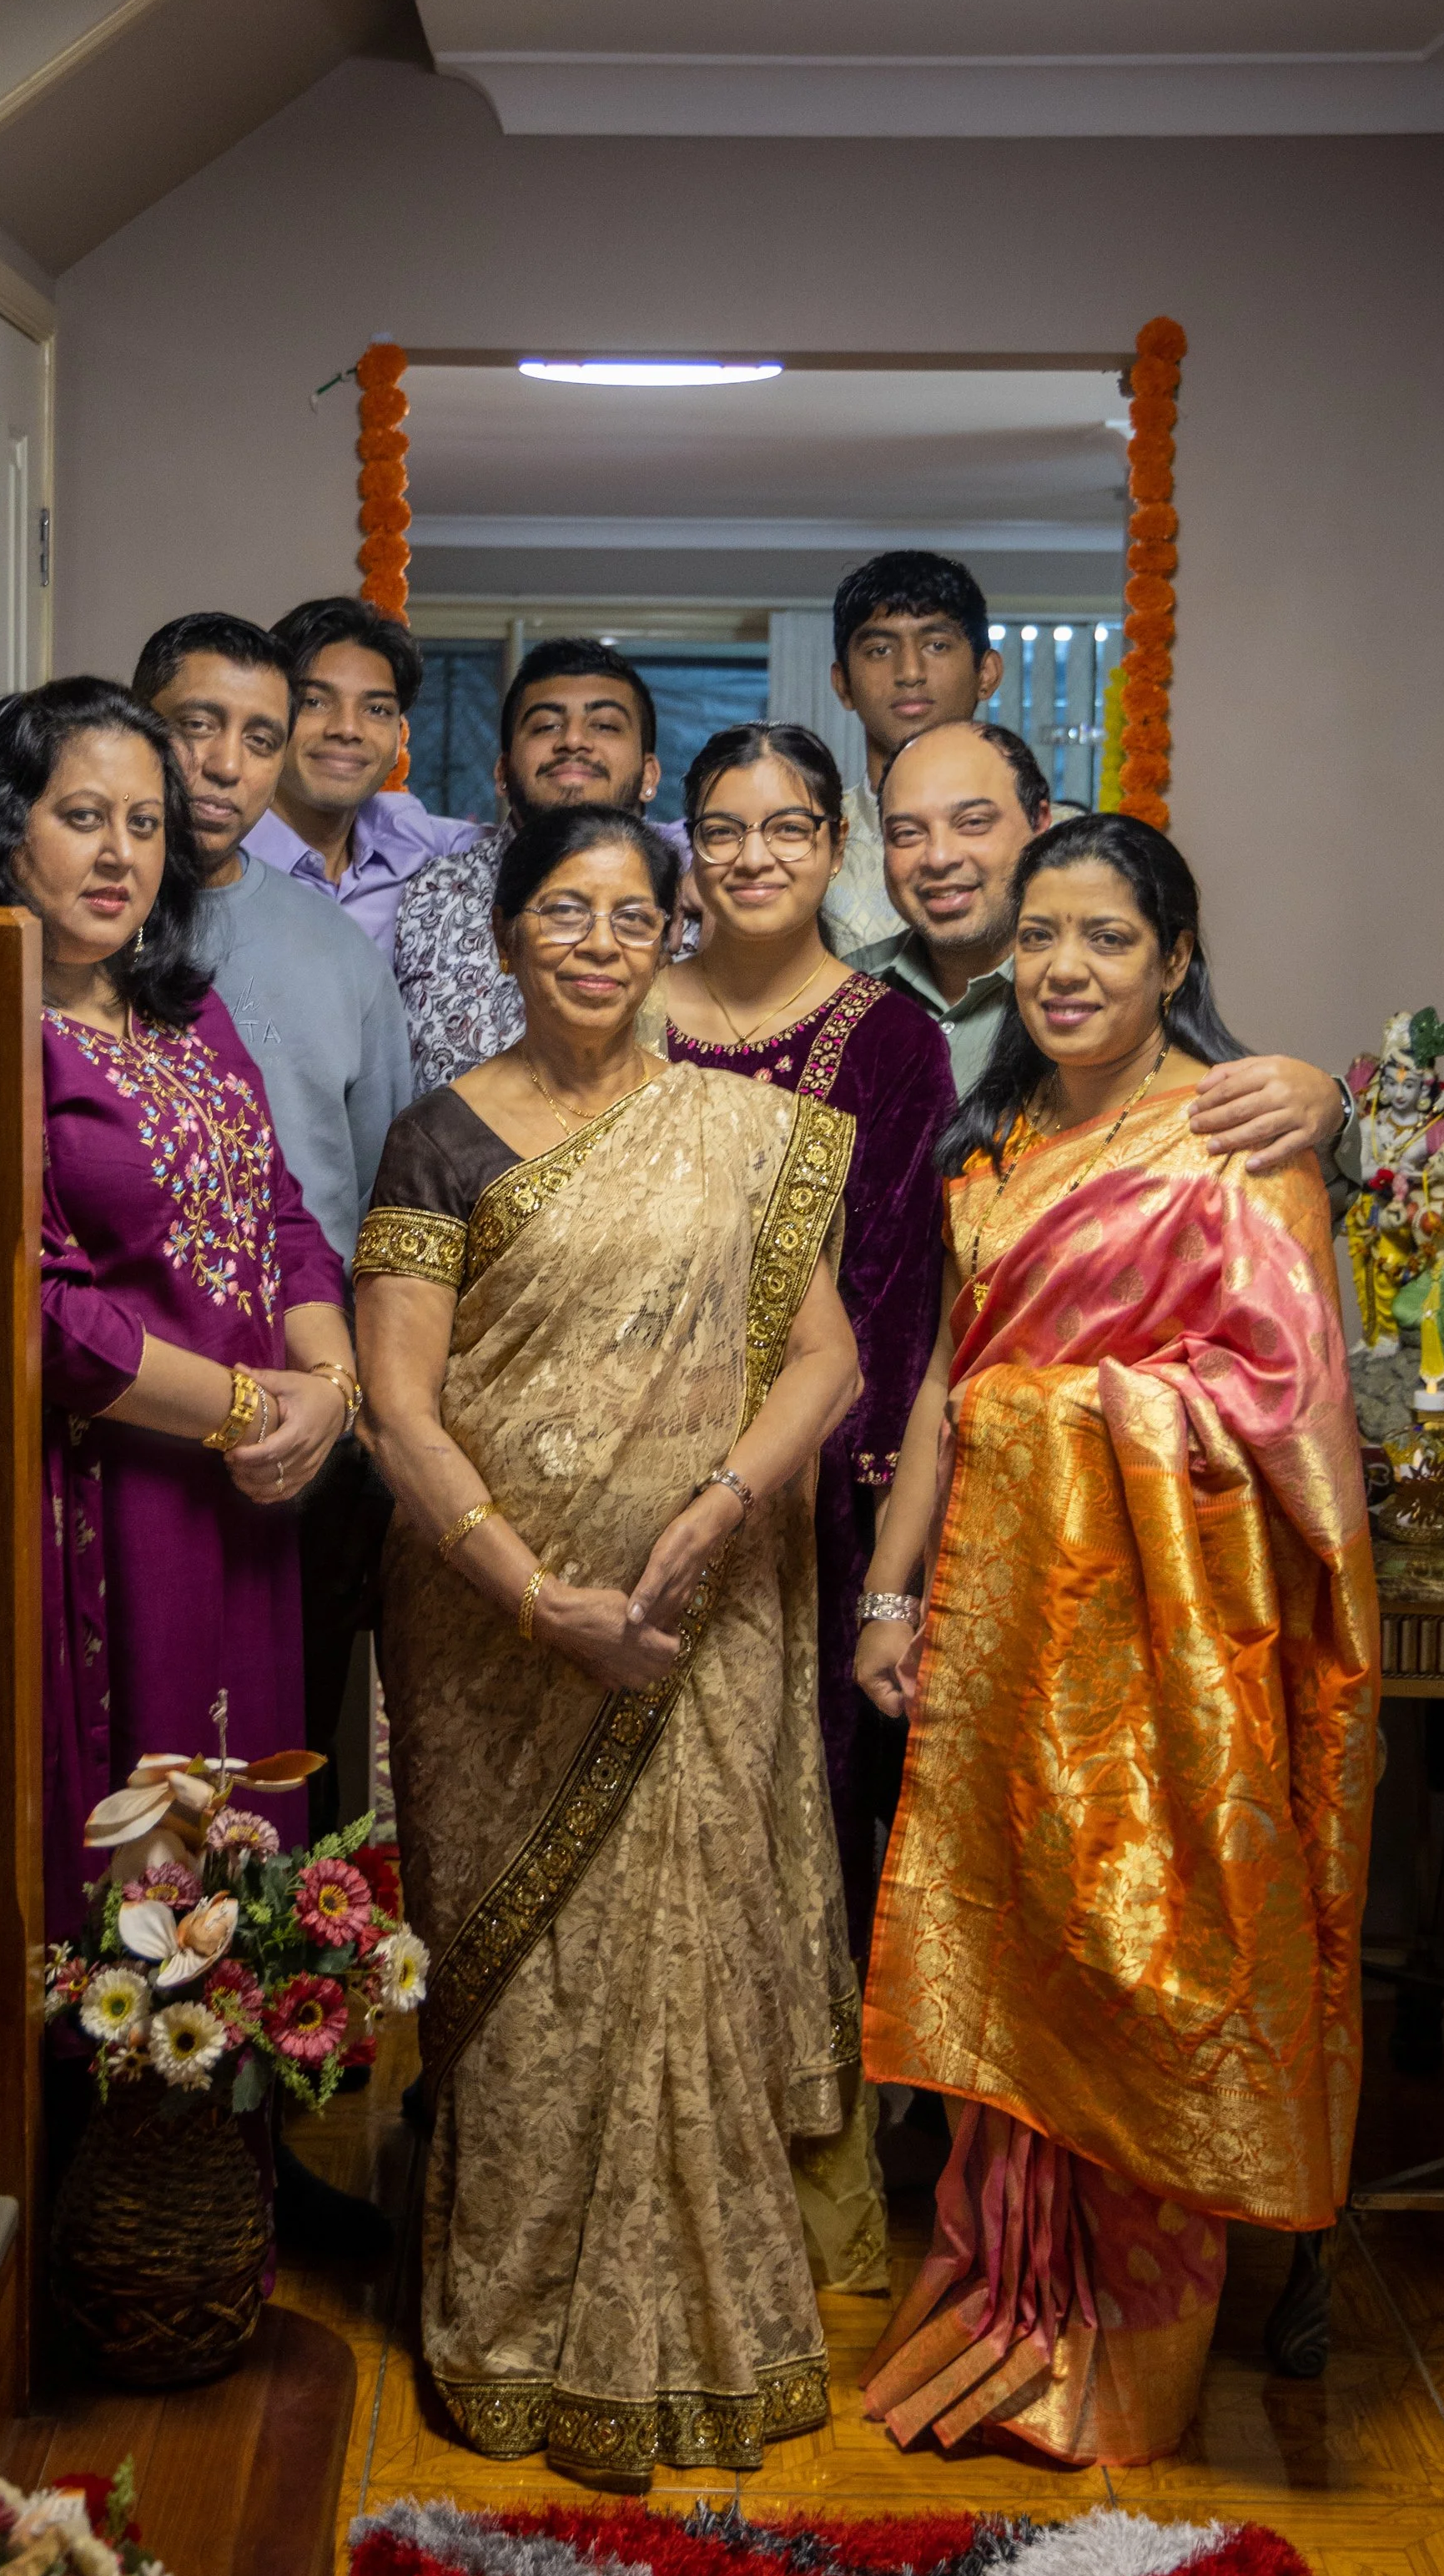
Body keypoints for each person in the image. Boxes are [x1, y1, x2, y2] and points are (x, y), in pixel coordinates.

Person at [852, 812, 1377, 2468]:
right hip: (1008, 1634)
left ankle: (1132, 2352)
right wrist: (888, 1587)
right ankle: (1007, 2300)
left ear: (1170, 963)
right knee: (1016, 1947)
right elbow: (947, 1389)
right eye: (1041, 937)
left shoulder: (1237, 1142)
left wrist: (1071, 1418)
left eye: (1104, 939)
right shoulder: (988, 1147)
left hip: (1167, 1646)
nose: (1064, 968)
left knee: (1146, 1957)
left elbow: (1288, 1415)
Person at [355, 804, 863, 2485]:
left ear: (668, 936)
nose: (592, 939)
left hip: (700, 1623)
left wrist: (716, 1511)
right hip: (490, 1639)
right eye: (560, 911)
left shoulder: (748, 1133)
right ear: (506, 935)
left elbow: (826, 1365)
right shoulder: (438, 1139)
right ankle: (510, 2344)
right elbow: (400, 1407)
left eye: (627, 913)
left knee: (683, 1966)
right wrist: (530, 1596)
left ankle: (700, 2346)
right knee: (524, 1990)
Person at [0, 679, 356, 1983]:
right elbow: (27, 1309)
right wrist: (255, 1410)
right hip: (96, 1507)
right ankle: (94, 2165)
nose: (121, 853)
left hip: (245, 1505)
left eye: (143, 821)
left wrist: (331, 1388)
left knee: (241, 1852)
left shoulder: (185, 1010)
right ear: (7, 826)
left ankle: (214, 2174)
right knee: (118, 1879)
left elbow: (284, 1214)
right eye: (81, 816)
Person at [645, 723, 949, 1976]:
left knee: (795, 1822)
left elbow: (896, 1300)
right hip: (622, 1470)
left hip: (816, 1507)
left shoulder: (890, 1039)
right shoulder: (624, 1007)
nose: (752, 855)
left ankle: (785, 2132)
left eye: (786, 828)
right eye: (721, 828)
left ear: (837, 846)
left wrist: (875, 1551)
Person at [130, 611, 411, 1854]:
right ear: (140, 726)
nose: (224, 764)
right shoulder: (86, 922)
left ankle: (299, 2006)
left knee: (292, 1740)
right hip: (129, 1386)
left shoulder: (334, 948)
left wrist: (349, 1390)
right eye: (196, 728)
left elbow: (378, 1185)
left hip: (312, 1389)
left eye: (257, 736)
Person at [870, 717, 1359, 1178]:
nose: (938, 857)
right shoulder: (842, 996)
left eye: (973, 822)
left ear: (1042, 821)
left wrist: (1333, 1108)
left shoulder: (1102, 1016)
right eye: (907, 833)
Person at [394, 636, 685, 1093]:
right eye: (546, 726)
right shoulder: (433, 891)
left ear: (650, 774)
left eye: (605, 725)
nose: (573, 741)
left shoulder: (691, 897)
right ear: (502, 771)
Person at [246, 595, 478, 955]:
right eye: (314, 702)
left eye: (376, 709)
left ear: (399, 736)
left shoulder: (409, 839)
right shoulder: (220, 861)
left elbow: (528, 842)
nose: (347, 729)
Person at [821, 550, 1005, 958]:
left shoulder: (1059, 839)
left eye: (937, 645)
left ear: (986, 674)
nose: (909, 672)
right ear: (843, 684)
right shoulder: (809, 844)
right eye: (880, 651)